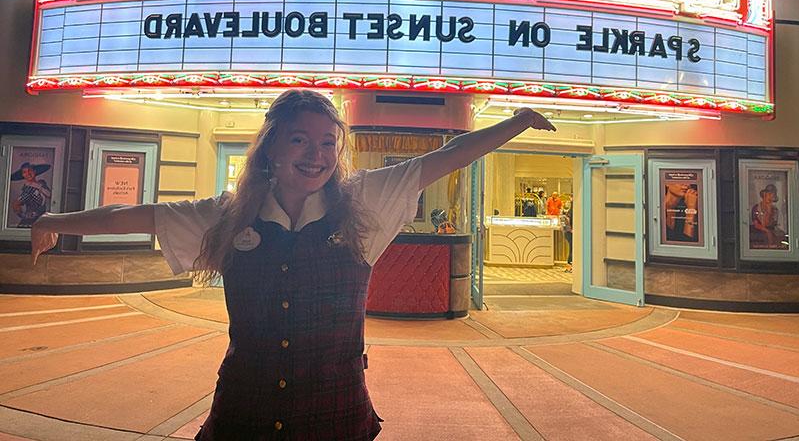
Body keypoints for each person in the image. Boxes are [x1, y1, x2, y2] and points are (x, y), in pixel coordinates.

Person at [30, 89, 555, 440]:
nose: (316, 154)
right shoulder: (227, 216)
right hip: (244, 413)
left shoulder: (364, 204)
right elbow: (134, 215)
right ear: (271, 148)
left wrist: (515, 123)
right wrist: (54, 219)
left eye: (328, 142)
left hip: (335, 415)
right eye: (300, 138)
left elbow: (445, 158)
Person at [11, 162, 52, 228]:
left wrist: (37, 186)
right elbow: (16, 204)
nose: (28, 174)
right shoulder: (28, 189)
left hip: (43, 219)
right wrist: (24, 216)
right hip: (31, 221)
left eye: (30, 170)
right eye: (24, 172)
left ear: (34, 171)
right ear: (23, 175)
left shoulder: (41, 183)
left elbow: (50, 195)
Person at [750, 183, 788, 248]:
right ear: (764, 195)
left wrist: (769, 210)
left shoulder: (775, 210)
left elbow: (769, 223)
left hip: (771, 229)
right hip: (758, 231)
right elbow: (756, 224)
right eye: (769, 194)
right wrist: (766, 231)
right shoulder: (756, 207)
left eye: (772, 195)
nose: (770, 197)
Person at [561, 204, 573, 273]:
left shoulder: (568, 213)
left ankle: (569, 266)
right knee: (572, 249)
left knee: (572, 249)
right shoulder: (572, 213)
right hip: (570, 233)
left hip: (567, 233)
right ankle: (569, 267)